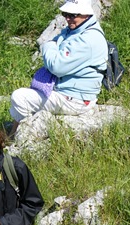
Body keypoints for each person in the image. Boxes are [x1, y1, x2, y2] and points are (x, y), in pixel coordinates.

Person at [7, 0, 108, 137]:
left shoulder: (88, 39)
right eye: (65, 13)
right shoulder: (77, 29)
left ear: (86, 14)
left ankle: (15, 136)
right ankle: (14, 133)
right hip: (66, 92)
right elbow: (57, 47)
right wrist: (54, 47)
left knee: (20, 97)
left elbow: (56, 66)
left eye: (73, 15)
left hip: (76, 99)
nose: (67, 18)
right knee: (26, 97)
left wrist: (47, 45)